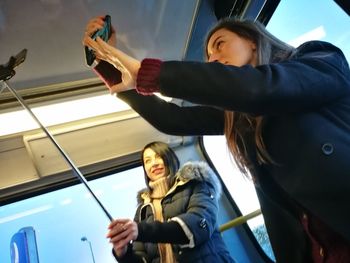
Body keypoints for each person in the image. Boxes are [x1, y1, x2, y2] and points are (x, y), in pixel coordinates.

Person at [83, 16, 350, 263]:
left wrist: (147, 73)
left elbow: (261, 89)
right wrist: (110, 66)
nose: (212, 59)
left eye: (219, 45)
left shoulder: (320, 59)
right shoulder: (239, 117)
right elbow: (173, 119)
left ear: (253, 41)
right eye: (209, 56)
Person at [106, 141, 235, 263]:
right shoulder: (143, 210)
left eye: (158, 157)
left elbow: (197, 226)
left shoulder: (195, 183)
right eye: (147, 161)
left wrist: (141, 230)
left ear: (170, 158)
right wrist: (123, 253)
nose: (154, 164)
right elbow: (142, 258)